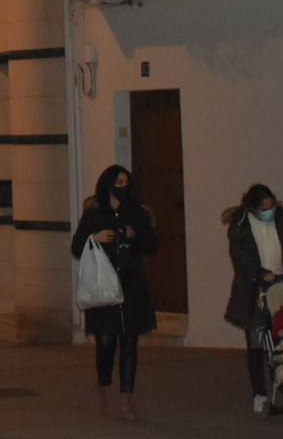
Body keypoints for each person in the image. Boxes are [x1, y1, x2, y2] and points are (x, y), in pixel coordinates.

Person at [71, 165, 157, 421]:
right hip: (103, 286)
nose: (123, 185)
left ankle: (126, 398)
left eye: (126, 181)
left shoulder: (137, 212)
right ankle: (104, 387)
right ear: (108, 184)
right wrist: (94, 238)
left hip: (131, 285)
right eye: (118, 181)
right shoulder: (94, 213)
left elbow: (152, 244)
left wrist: (134, 234)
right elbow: (77, 246)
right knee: (106, 342)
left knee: (129, 342)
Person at [222, 182, 283, 415]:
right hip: (254, 291)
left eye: (271, 207)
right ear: (253, 208)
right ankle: (259, 392)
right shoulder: (240, 225)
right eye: (264, 209)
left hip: (281, 288)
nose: (269, 212)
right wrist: (260, 274)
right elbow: (241, 258)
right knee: (257, 343)